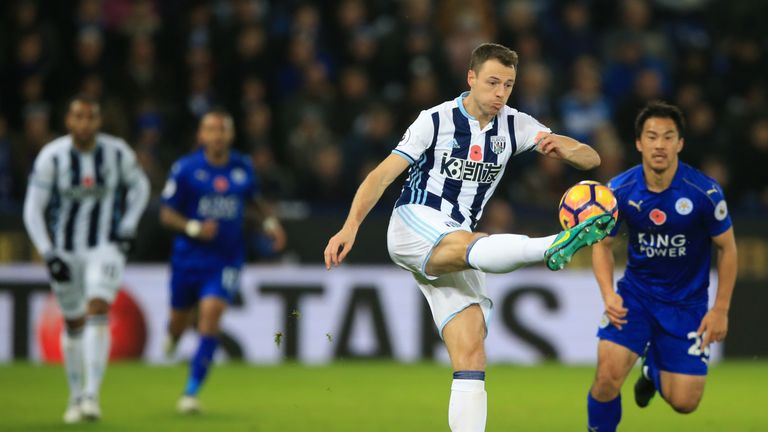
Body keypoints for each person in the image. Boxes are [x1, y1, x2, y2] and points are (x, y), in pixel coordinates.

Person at [324, 42, 614, 432]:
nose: (500, 93)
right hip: (415, 223)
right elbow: (381, 176)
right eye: (492, 82)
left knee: (472, 352)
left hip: (456, 244)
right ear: (471, 78)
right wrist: (350, 226)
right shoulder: (435, 120)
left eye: (508, 85)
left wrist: (565, 147)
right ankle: (549, 246)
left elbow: (592, 159)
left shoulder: (516, 124)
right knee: (470, 244)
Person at [586, 101, 738, 431]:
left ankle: (650, 370)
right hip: (636, 298)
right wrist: (607, 293)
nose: (660, 145)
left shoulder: (704, 193)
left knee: (685, 402)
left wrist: (721, 309)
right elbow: (602, 244)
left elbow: (727, 249)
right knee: (607, 376)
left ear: (680, 143)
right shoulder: (619, 190)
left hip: (687, 305)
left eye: (668, 137)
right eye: (652, 136)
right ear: (639, 142)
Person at [23, 95, 150, 423]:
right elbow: (32, 209)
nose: (84, 124)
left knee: (97, 307)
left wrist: (127, 227)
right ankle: (76, 395)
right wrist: (48, 252)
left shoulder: (116, 152)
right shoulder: (53, 156)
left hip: (105, 246)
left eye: (90, 117)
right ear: (68, 121)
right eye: (78, 117)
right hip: (64, 250)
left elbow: (141, 187)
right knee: (73, 322)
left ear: (98, 121)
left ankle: (92, 395)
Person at [159, 109, 286, 414]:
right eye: (210, 129)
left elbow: (252, 203)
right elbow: (166, 213)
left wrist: (270, 225)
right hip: (188, 258)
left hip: (226, 258)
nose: (217, 135)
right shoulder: (186, 169)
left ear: (230, 135)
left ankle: (191, 392)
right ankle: (175, 333)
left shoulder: (242, 167)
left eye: (222, 129)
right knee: (178, 321)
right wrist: (194, 227)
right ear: (201, 136)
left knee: (211, 314)